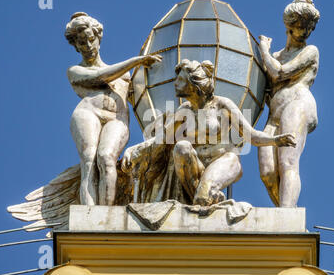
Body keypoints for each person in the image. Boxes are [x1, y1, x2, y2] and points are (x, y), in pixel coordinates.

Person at [122, 59, 296, 206]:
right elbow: (160, 139)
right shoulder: (184, 110)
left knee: (203, 197)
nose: (175, 83)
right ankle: (204, 198)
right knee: (182, 147)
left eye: (180, 80)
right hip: (197, 167)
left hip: (224, 160)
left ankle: (206, 196)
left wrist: (275, 140)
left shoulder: (222, 105)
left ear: (194, 84)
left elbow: (251, 135)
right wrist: (133, 151)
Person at [64, 12, 161, 205]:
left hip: (117, 119)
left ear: (98, 38)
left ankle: (105, 216)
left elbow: (146, 98)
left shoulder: (126, 77)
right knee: (89, 160)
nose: (88, 46)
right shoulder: (75, 71)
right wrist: (136, 61)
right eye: (82, 43)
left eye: (91, 39)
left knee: (106, 156)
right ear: (75, 46)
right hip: (87, 113)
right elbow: (100, 76)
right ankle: (89, 214)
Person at [257, 0, 320, 207]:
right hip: (274, 114)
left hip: (297, 104)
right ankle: (286, 216)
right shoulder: (276, 55)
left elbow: (280, 73)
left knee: (288, 162)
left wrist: (263, 50)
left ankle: (286, 215)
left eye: (309, 27)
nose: (306, 31)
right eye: (302, 26)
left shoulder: (310, 51)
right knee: (267, 171)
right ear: (290, 25)